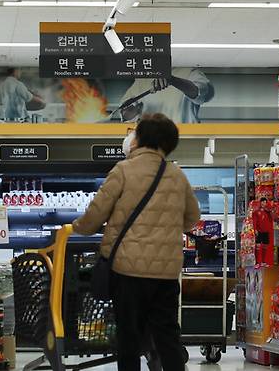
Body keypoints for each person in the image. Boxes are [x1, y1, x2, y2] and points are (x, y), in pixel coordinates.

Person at [72, 114, 200, 371]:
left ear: (139, 138)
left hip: (128, 271)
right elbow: (192, 218)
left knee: (129, 338)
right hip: (165, 274)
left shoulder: (123, 170)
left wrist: (77, 227)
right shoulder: (177, 175)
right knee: (167, 338)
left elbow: (95, 215)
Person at [120, 68, 214, 123]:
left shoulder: (190, 71)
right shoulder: (143, 77)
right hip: (151, 141)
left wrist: (172, 80)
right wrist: (132, 109)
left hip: (184, 138)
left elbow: (199, 92)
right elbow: (126, 115)